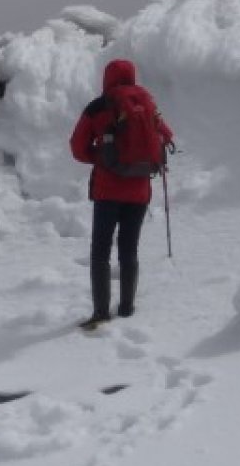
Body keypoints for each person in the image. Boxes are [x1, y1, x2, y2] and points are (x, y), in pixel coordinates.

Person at [69, 58, 174, 329]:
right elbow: (167, 135)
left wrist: (101, 158)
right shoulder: (147, 103)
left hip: (107, 191)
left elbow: (78, 148)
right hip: (139, 190)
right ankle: (127, 307)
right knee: (129, 249)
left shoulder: (99, 107)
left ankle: (101, 312)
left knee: (100, 251)